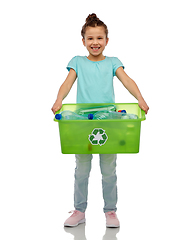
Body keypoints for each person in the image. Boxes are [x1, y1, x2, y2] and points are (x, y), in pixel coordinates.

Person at [52, 13, 149, 228]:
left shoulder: (113, 63)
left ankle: (111, 211)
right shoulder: (77, 62)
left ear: (106, 40)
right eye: (90, 38)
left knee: (109, 169)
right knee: (82, 169)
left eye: (99, 38)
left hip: (108, 121)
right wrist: (59, 100)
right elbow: (67, 83)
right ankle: (79, 210)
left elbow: (127, 81)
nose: (95, 43)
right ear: (84, 41)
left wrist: (140, 99)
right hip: (82, 122)